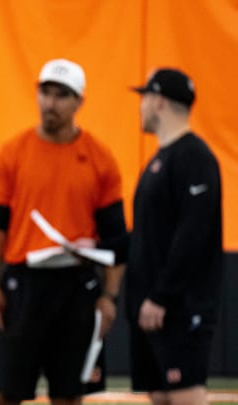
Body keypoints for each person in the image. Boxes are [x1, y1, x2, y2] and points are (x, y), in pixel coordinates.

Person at [0, 58, 128, 405]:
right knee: (3, 392)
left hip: (77, 286)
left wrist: (109, 297)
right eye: (45, 92)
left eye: (62, 95)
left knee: (69, 392)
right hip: (24, 284)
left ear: (79, 102)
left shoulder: (99, 158)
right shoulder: (13, 154)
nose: (50, 103)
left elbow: (117, 240)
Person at [126, 68, 223, 405]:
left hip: (178, 307)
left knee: (185, 394)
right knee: (161, 395)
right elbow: (147, 237)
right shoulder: (159, 160)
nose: (139, 107)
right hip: (150, 306)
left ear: (159, 102)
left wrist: (162, 295)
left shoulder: (193, 156)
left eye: (144, 99)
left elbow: (193, 234)